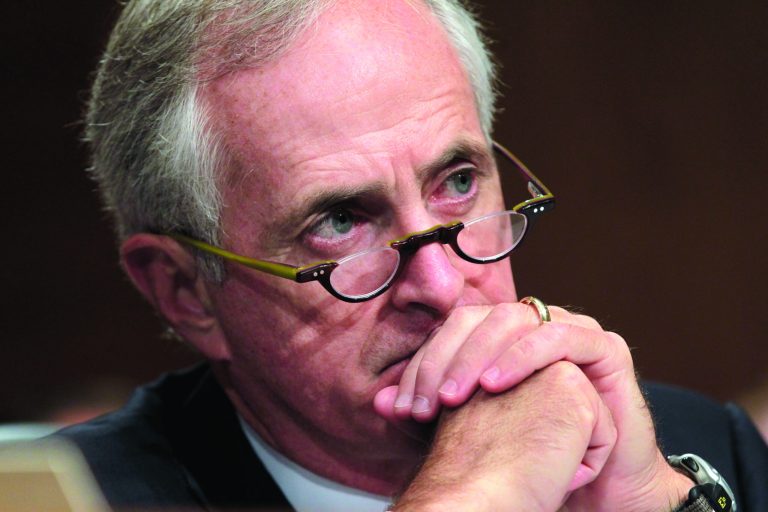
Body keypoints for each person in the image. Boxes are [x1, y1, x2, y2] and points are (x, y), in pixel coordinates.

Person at [57, 0, 768, 510]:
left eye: (458, 183)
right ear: (185, 291)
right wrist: (473, 495)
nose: (443, 281)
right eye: (339, 221)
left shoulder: (694, 448)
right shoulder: (76, 500)